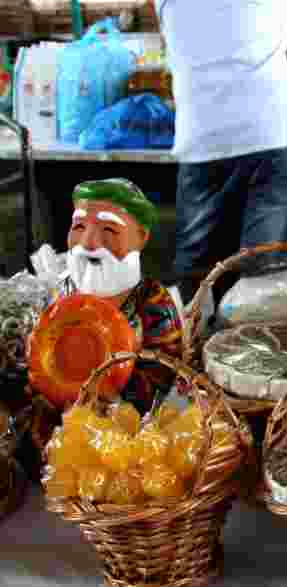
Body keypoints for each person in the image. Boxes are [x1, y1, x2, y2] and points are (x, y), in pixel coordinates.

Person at [155, 0, 287, 303]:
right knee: (262, 274)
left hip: (203, 134)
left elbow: (179, 40)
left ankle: (187, 346)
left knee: (196, 266)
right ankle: (252, 356)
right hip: (274, 130)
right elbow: (276, 39)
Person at [27, 178, 184, 462]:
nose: (89, 243)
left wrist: (112, 406)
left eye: (109, 229)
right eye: (79, 227)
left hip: (124, 432)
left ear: (141, 236)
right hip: (64, 422)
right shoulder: (61, 293)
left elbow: (162, 370)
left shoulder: (152, 302)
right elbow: (40, 357)